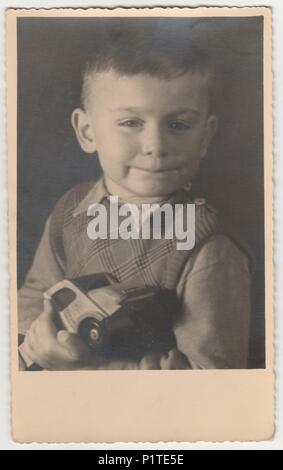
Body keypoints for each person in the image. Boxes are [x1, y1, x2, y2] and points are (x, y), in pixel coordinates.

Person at [18, 21, 251, 371]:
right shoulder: (69, 212)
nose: (156, 147)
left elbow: (214, 387)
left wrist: (84, 371)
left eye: (179, 125)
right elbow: (34, 300)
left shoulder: (209, 247)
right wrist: (33, 344)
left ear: (205, 136)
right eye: (130, 123)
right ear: (86, 132)